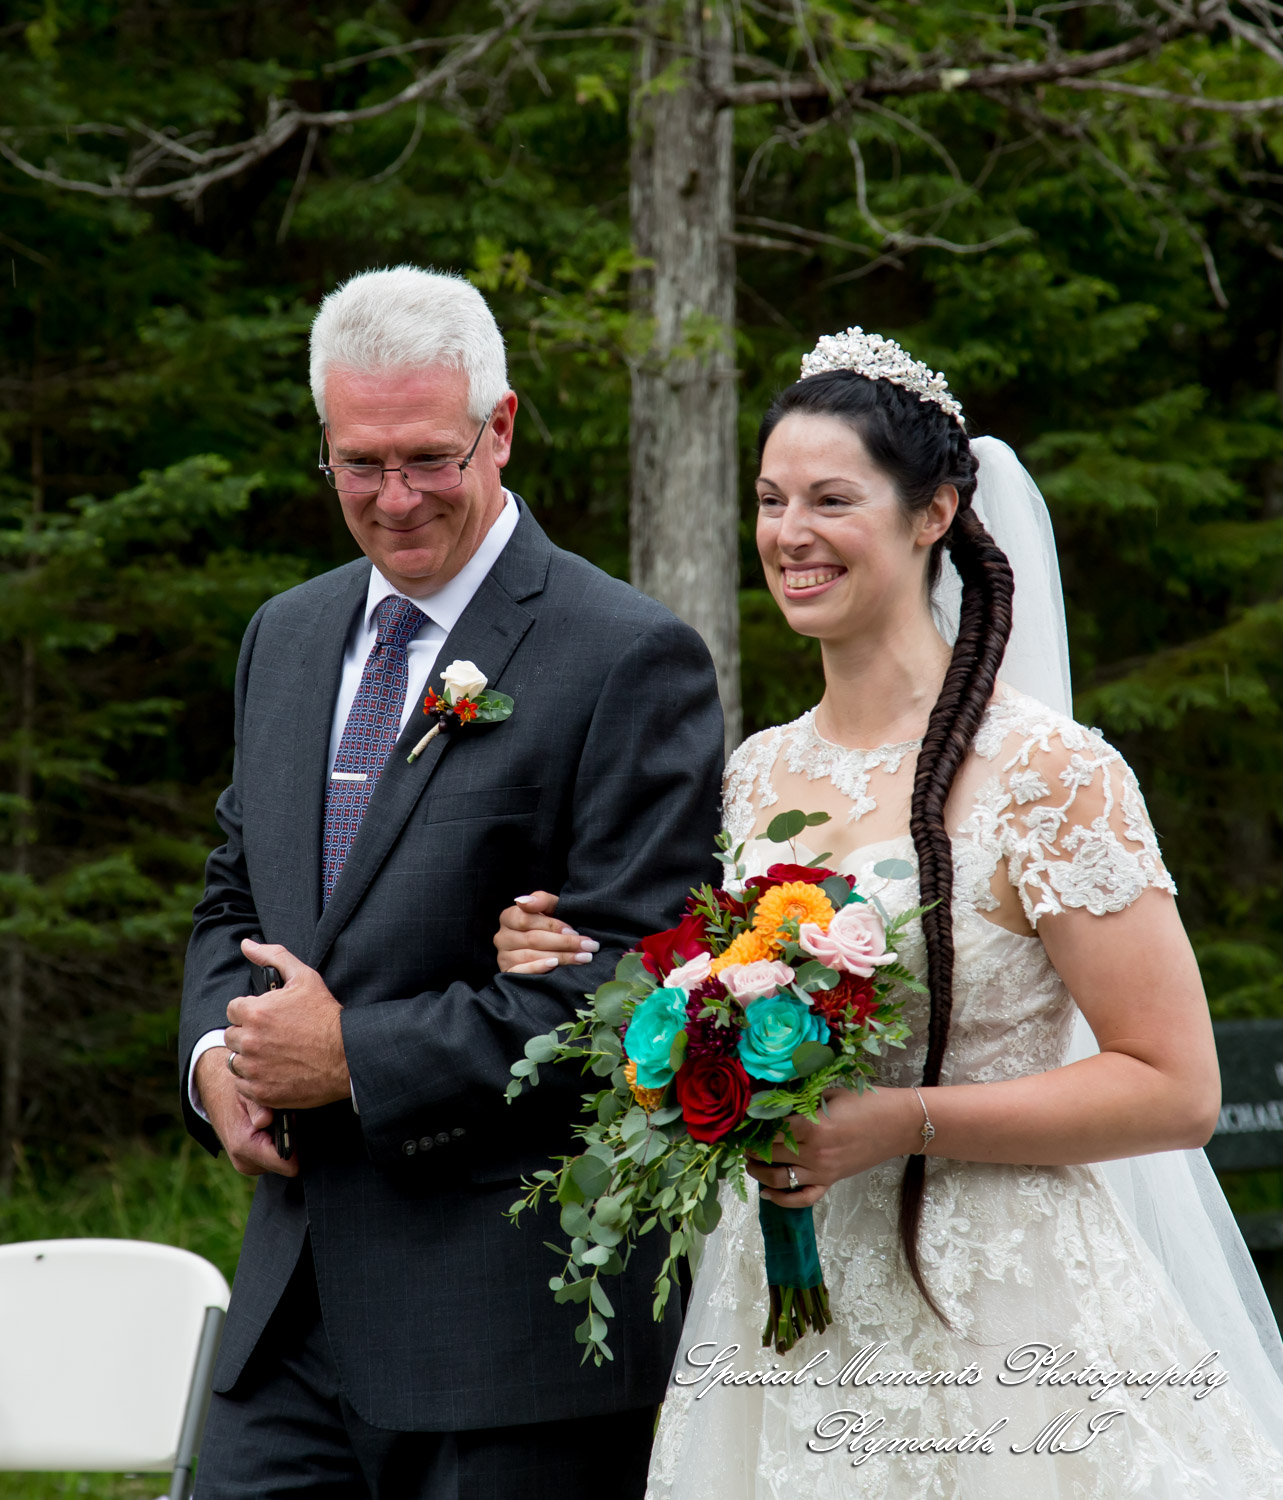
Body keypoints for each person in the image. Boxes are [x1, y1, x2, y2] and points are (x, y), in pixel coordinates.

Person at [493, 328, 1283, 1496]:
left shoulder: (1049, 776)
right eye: (768, 499)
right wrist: (576, 964)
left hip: (1001, 1324)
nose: (787, 533)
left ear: (930, 515)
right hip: (781, 1325)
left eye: (828, 498)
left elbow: (1176, 1087)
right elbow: (689, 990)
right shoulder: (752, 773)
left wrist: (898, 1121)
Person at [178, 264, 725, 1499]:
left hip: (510, 1337)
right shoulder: (288, 634)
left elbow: (637, 995)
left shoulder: (626, 654)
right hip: (288, 1329)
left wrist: (355, 1057)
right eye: (358, 464)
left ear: (502, 426)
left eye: (429, 458)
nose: (394, 498)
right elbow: (233, 899)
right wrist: (218, 1057)